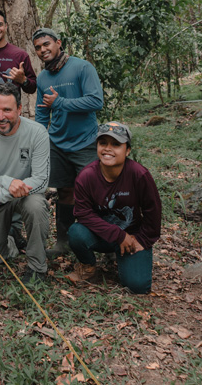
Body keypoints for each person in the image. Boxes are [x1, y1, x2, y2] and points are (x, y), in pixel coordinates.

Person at [0, 83, 51, 286]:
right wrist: (8, 181)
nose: (1, 116)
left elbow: (41, 179)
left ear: (20, 109)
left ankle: (37, 266)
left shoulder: (37, 133)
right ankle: (12, 239)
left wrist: (5, 191)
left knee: (36, 205)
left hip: (23, 196)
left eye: (7, 110)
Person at [33, 27, 103, 257]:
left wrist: (60, 102)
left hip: (86, 142)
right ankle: (62, 242)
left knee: (94, 193)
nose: (43, 50)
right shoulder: (43, 77)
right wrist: (40, 138)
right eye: (38, 48)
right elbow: (43, 113)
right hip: (58, 144)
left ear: (58, 43)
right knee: (64, 192)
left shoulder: (82, 67)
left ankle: (104, 243)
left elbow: (95, 101)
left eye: (46, 44)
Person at [69, 122, 161, 294]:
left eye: (116, 144)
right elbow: (83, 213)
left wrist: (143, 240)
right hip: (103, 234)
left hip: (133, 237)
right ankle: (88, 265)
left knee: (138, 287)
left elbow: (153, 211)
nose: (108, 149)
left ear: (127, 150)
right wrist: (118, 236)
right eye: (103, 143)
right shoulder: (86, 176)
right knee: (76, 232)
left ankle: (121, 256)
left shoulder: (139, 175)